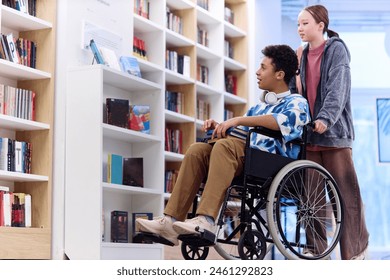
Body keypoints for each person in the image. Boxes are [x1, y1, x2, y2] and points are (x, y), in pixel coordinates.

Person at [136, 44, 310, 246]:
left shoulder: (297, 102)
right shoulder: (259, 107)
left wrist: (237, 120)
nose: (257, 72)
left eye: (263, 67)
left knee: (224, 147)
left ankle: (206, 220)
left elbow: (280, 122)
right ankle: (170, 221)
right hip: (244, 157)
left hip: (271, 164)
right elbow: (240, 133)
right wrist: (220, 127)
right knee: (197, 150)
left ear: (279, 74)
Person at [294, 4, 369, 260]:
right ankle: (317, 251)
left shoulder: (336, 49)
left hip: (334, 136)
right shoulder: (301, 54)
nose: (300, 29)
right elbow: (299, 93)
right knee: (311, 200)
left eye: (305, 23)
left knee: (346, 198)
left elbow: (339, 87)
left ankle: (355, 252)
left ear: (320, 26)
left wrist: (326, 117)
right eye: (298, 24)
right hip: (311, 137)